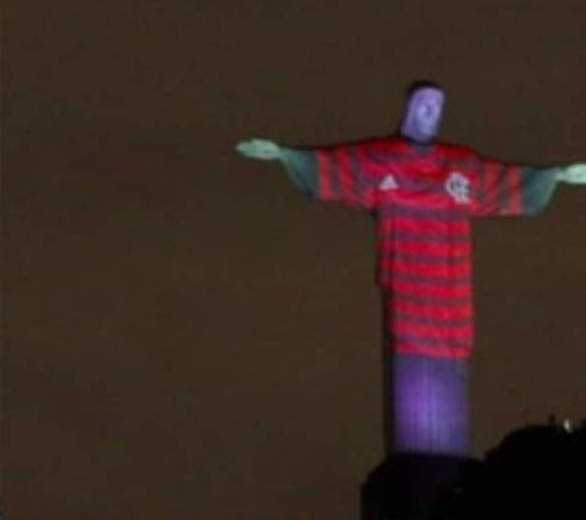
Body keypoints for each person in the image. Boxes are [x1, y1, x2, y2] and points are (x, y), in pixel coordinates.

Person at [236, 81, 586, 455]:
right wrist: (285, 155)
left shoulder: (458, 165)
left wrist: (558, 175)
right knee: (413, 392)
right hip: (407, 292)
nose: (431, 112)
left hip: (451, 293)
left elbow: (503, 179)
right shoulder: (381, 159)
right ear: (407, 108)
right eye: (424, 103)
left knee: (448, 385)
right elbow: (335, 165)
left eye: (438, 106)